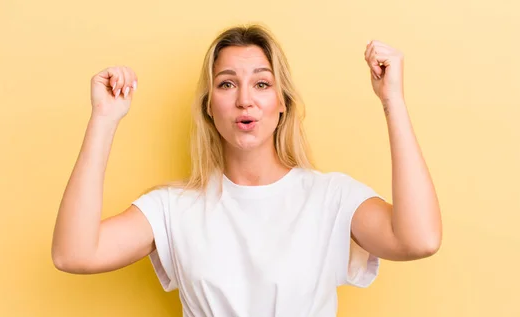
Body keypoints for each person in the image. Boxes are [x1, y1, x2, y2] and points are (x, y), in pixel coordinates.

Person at [52, 24, 442, 316]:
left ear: (282, 102)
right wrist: (104, 118)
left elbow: (419, 239)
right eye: (226, 85)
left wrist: (392, 100)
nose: (244, 100)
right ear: (209, 106)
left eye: (261, 83)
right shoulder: (174, 209)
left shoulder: (331, 198)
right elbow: (74, 254)